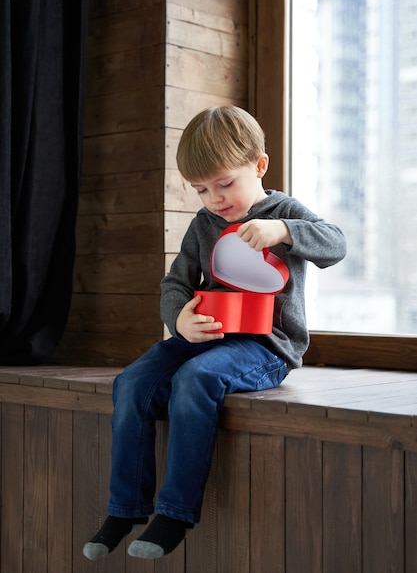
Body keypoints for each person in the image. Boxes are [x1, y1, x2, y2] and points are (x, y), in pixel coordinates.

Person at [82, 105, 346, 561]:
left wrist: (282, 229)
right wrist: (178, 319)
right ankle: (125, 507)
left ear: (259, 165)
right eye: (201, 190)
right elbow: (176, 283)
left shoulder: (282, 211)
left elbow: (335, 242)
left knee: (196, 380)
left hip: (265, 346)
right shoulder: (203, 224)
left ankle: (176, 512)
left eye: (225, 184)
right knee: (132, 382)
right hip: (203, 335)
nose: (215, 199)